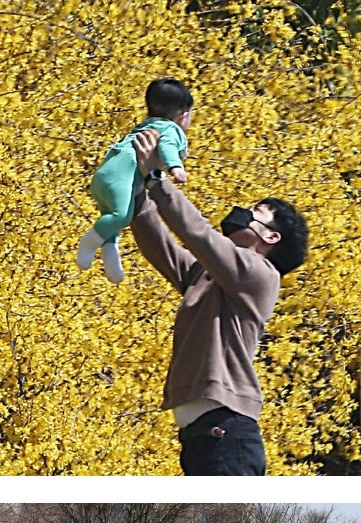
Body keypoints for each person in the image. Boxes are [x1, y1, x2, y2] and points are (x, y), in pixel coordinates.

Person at [129, 129, 308, 475]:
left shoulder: (260, 275)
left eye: (256, 212)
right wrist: (135, 194)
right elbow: (162, 248)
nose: (242, 212)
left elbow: (200, 235)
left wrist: (156, 178)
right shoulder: (210, 276)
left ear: (271, 236)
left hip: (227, 435)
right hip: (200, 436)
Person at [77, 79, 192, 284]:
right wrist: (176, 167)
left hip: (106, 174)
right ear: (183, 115)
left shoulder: (144, 125)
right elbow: (166, 146)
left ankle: (110, 255)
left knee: (111, 217)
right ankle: (89, 242)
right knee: (121, 216)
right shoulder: (171, 129)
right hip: (119, 177)